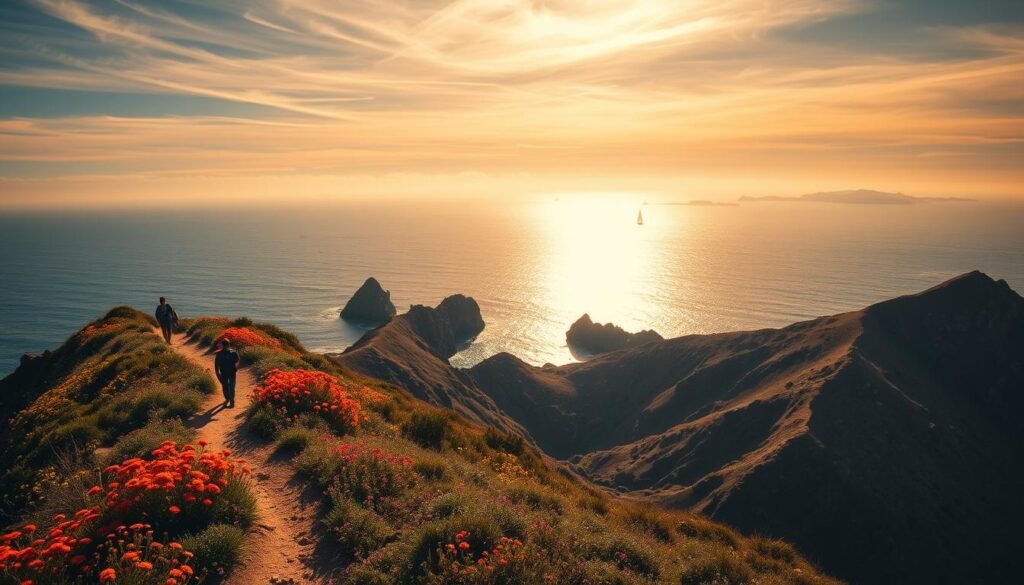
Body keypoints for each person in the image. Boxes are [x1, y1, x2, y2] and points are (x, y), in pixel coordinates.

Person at [214, 339, 240, 408]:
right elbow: (237, 361)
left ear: (222, 345)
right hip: (232, 372)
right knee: (232, 387)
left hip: (223, 372)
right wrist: (235, 369)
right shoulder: (234, 352)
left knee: (225, 386)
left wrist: (217, 373)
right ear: (229, 344)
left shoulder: (218, 354)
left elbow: (216, 365)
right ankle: (231, 402)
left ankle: (227, 399)